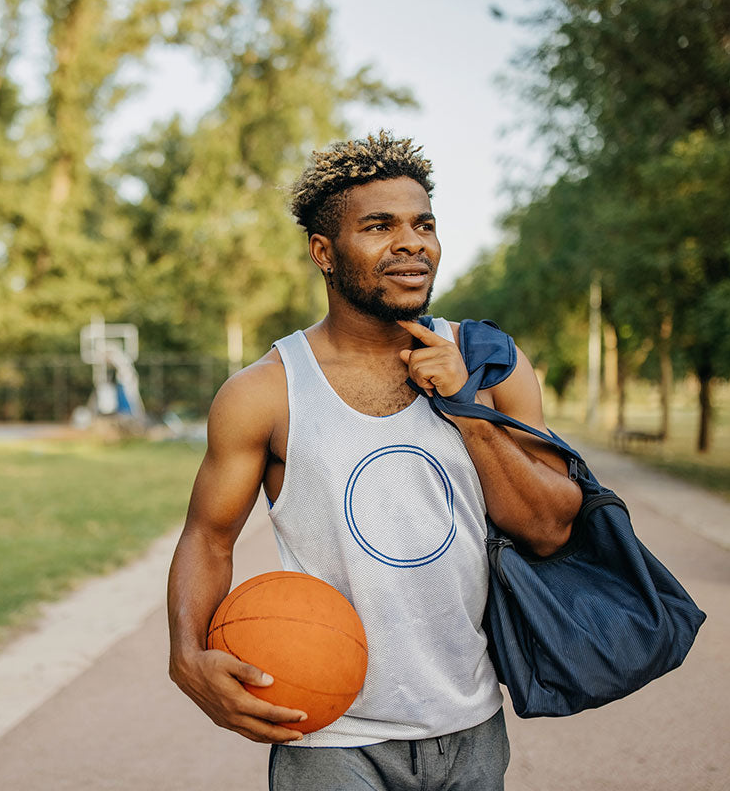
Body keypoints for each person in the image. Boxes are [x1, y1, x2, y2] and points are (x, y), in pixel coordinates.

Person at [166, 132, 582, 791]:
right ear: (324, 253)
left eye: (423, 224)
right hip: (328, 731)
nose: (412, 242)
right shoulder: (264, 392)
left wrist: (470, 409)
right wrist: (187, 655)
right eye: (380, 226)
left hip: (472, 722)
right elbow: (208, 538)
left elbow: (551, 526)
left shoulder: (493, 363)